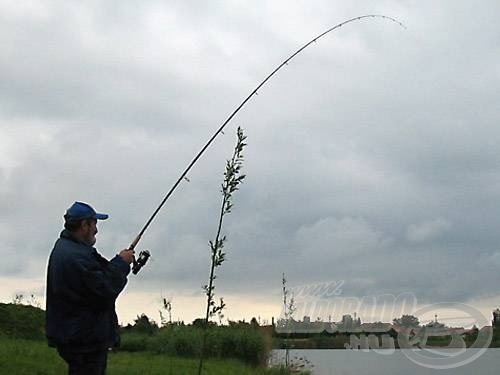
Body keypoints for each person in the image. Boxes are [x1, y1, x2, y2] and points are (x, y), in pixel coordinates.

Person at [45, 201, 135, 374]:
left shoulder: (68, 248)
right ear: (84, 225)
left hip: (75, 336)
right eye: (94, 223)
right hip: (83, 340)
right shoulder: (77, 256)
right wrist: (122, 263)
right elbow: (105, 288)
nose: (96, 229)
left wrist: (118, 262)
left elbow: (95, 279)